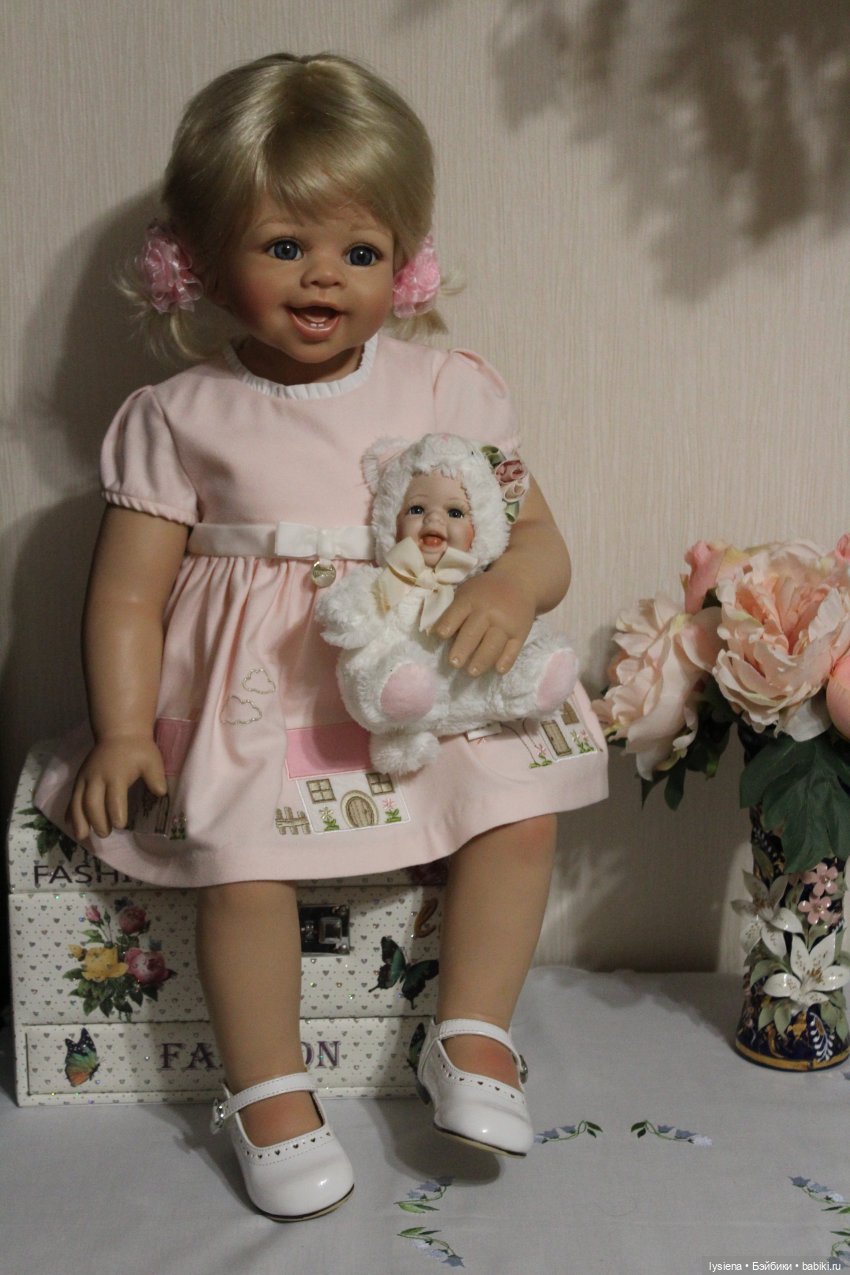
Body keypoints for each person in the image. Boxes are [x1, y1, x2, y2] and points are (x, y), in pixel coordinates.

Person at [34, 52, 608, 1222]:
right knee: (242, 865)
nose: (322, 279)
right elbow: (129, 597)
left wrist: (512, 589)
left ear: (407, 264)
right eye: (284, 245)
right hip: (262, 704)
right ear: (198, 261)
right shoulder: (178, 415)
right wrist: (124, 730)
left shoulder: (445, 391)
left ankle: (471, 1030)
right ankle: (267, 1088)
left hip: (421, 676)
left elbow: (537, 534)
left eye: (360, 251)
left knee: (515, 812)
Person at [316, 432, 579, 774]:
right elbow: (351, 606)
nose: (434, 520)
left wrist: (513, 583)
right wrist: (348, 611)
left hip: (481, 715)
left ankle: (531, 681)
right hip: (383, 692)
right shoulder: (390, 583)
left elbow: (534, 530)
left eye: (455, 511)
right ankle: (403, 704)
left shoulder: (476, 579)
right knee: (396, 681)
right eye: (416, 509)